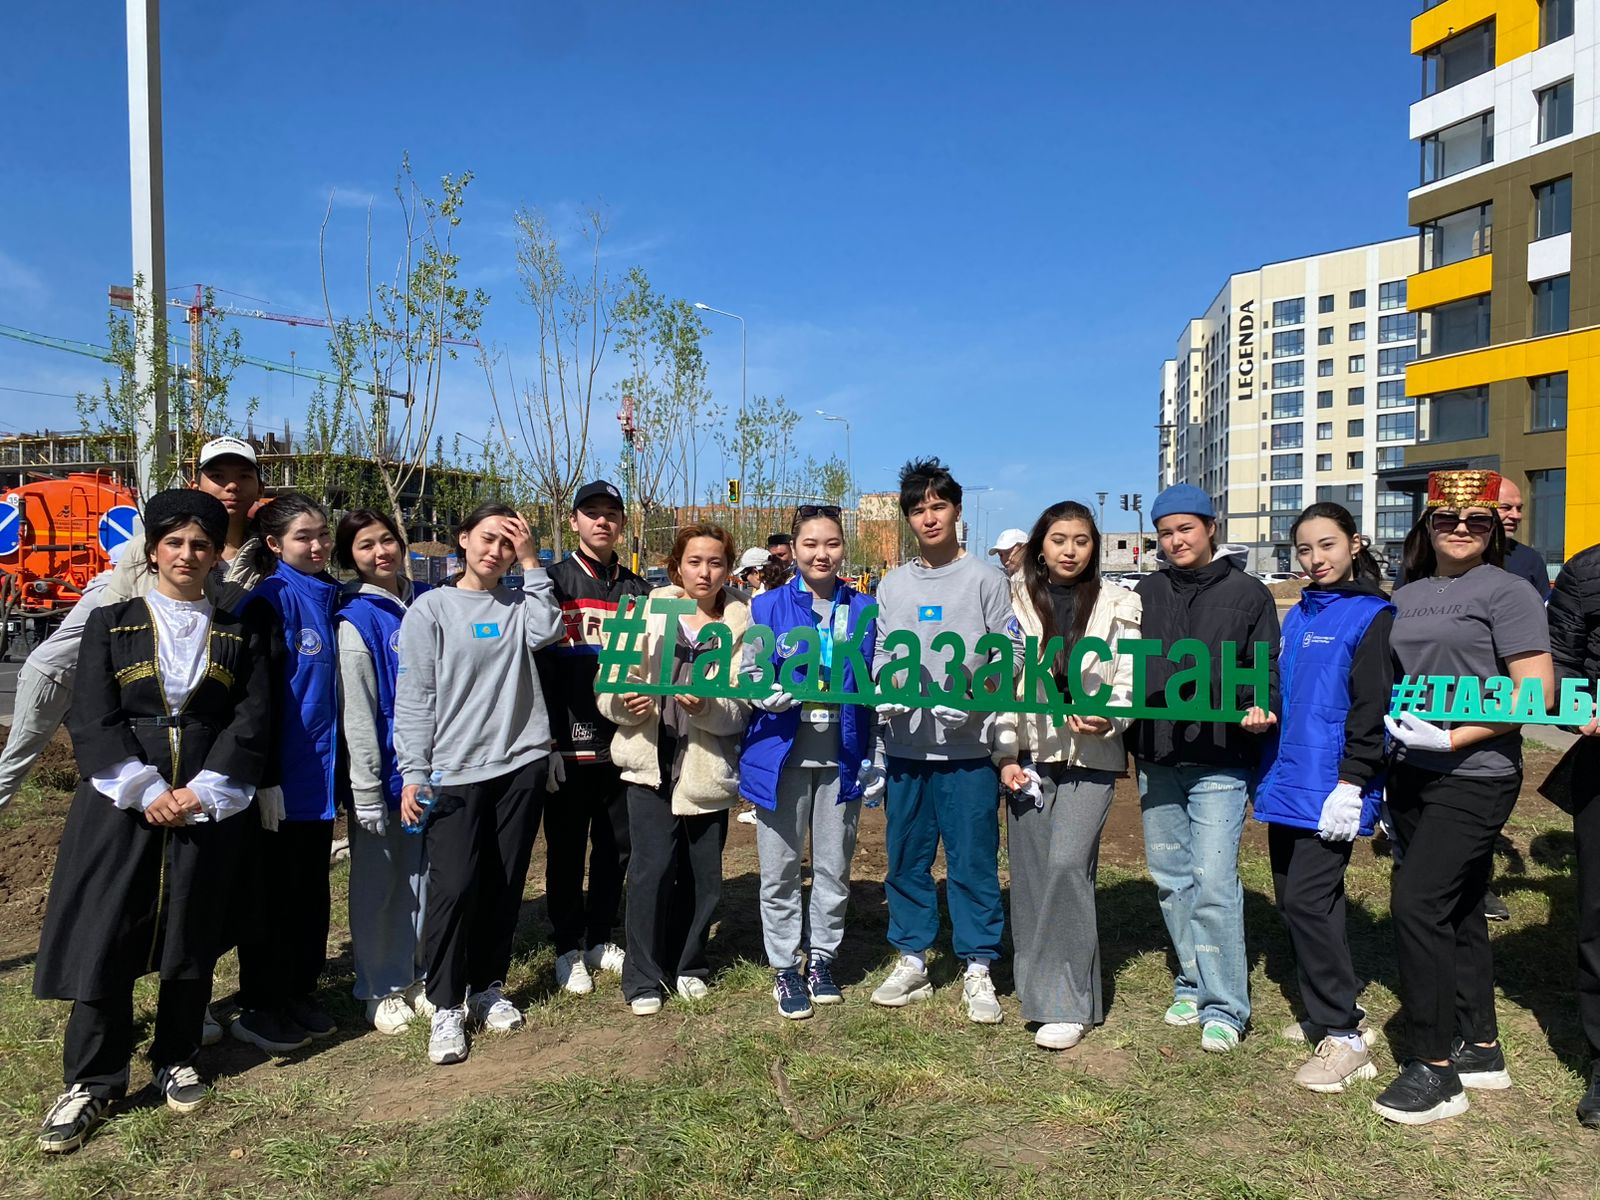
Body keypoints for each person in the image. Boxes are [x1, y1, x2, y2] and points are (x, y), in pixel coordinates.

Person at [32, 491, 273, 1153]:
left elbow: (250, 718)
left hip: (203, 800)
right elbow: (92, 715)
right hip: (120, 804)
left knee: (191, 926)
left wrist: (204, 790)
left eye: (201, 545)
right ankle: (93, 1079)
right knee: (108, 931)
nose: (187, 555)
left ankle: (177, 1053)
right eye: (175, 543)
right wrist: (143, 789)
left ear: (214, 554)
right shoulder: (110, 624)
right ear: (155, 549)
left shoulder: (239, 631)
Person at [1373, 469, 1554, 1125]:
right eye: (1447, 518)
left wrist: (1453, 738)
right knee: (1461, 906)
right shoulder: (1409, 593)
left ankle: (1434, 1069)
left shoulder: (1507, 591)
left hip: (1476, 771)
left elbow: (1536, 693)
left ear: (1492, 527)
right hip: (1411, 771)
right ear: (1427, 524)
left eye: (1476, 519)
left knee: (1417, 903)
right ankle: (1479, 1046)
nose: (1460, 528)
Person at [0, 436, 268, 812]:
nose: (231, 486)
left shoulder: (263, 553)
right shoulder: (149, 548)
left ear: (260, 487)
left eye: (243, 476)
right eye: (218, 475)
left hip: (185, 703)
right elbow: (113, 636)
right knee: (17, 770)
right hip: (70, 676)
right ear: (196, 483)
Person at [393, 503, 562, 1065]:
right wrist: (414, 771)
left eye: (508, 544)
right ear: (463, 539)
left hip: (520, 764)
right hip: (455, 770)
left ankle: (488, 985)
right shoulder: (432, 609)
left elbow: (548, 631)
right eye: (487, 538)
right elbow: (415, 696)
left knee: (504, 880)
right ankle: (445, 1002)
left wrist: (533, 563)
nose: (496, 551)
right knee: (455, 886)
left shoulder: (518, 604)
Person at [868, 458, 1021, 1024]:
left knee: (973, 858)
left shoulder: (986, 579)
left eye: (938, 506)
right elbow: (883, 650)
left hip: (967, 749)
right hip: (906, 746)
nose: (929, 518)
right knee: (906, 858)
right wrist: (885, 688)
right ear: (908, 519)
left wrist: (978, 699)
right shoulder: (892, 584)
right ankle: (912, 957)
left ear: (957, 511)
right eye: (918, 510)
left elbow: (1012, 652)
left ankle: (978, 964)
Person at [1129, 483, 1280, 1053]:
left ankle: (1225, 1006)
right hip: (1156, 754)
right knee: (1172, 878)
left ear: (1211, 528)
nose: (1175, 541)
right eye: (1165, 533)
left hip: (1220, 758)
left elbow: (1266, 667)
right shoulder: (1144, 592)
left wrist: (1263, 705)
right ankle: (1191, 981)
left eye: (1185, 529)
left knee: (1214, 880)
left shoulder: (1249, 594)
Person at [1252, 503, 1393, 1092]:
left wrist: (1354, 781)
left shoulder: (1373, 615)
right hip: (1289, 778)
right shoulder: (1300, 614)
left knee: (1309, 902)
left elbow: (1372, 707)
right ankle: (1329, 1009)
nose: (1316, 559)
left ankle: (1345, 1037)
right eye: (1305, 549)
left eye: (1327, 545)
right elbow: (1285, 690)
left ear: (1355, 544)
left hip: (1332, 784)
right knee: (1300, 902)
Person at [993, 501, 1142, 1050]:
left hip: (1092, 756)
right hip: (1029, 755)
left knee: (1067, 865)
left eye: (1081, 540)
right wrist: (1005, 755)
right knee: (1032, 874)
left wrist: (1111, 717)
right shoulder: (1011, 602)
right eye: (1059, 539)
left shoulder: (1121, 602)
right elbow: (1003, 686)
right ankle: (1037, 988)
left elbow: (1128, 678)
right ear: (1040, 546)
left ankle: (1069, 1003)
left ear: (1094, 547)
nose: (1070, 550)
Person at [596, 525, 751, 1016]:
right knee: (651, 870)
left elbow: (743, 706)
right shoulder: (646, 613)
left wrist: (708, 708)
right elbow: (609, 683)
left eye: (716, 562)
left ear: (728, 569)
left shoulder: (742, 622)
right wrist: (624, 702)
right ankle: (643, 975)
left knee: (703, 876)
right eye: (694, 562)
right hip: (652, 761)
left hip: (705, 766)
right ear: (676, 568)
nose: (705, 572)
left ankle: (689, 965)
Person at [739, 505, 881, 1019]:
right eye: (811, 544)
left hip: (841, 755)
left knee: (833, 867)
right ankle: (784, 965)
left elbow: (877, 678)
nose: (822, 554)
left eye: (832, 543)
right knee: (779, 869)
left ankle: (821, 958)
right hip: (781, 757)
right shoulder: (766, 606)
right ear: (794, 549)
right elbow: (750, 672)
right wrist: (760, 693)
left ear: (844, 548)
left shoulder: (865, 609)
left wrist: (875, 751)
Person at [231, 495, 343, 1056]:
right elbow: (255, 699)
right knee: (272, 895)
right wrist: (264, 775)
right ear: (275, 545)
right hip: (281, 780)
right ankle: (260, 1002)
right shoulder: (267, 603)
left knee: (310, 891)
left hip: (320, 779)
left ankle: (300, 989)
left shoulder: (334, 597)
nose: (318, 545)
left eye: (322, 534)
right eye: (304, 537)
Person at [536, 481, 649, 996]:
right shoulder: (552, 583)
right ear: (574, 521)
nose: (602, 521)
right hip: (567, 738)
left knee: (615, 844)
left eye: (611, 513)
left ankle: (601, 935)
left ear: (622, 523)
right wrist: (546, 740)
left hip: (622, 740)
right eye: (592, 513)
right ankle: (567, 944)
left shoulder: (639, 590)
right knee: (565, 847)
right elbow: (536, 666)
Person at [334, 509, 432, 1034]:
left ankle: (418, 971)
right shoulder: (357, 620)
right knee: (382, 883)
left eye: (387, 540)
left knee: (425, 878)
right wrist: (367, 789)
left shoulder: (425, 601)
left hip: (434, 769)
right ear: (350, 557)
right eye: (366, 545)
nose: (381, 552)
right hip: (388, 775)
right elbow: (359, 713)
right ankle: (379, 985)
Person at [1546, 537, 1600, 1128]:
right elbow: (1558, 662)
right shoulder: (1586, 571)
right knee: (1598, 912)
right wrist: (1576, 708)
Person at [0, 549, 121, 811]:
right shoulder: (110, 592)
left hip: (75, 683)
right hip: (49, 678)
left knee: (102, 749)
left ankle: (104, 816)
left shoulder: (113, 588)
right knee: (17, 760)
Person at [1495, 476, 1551, 599]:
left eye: (1519, 509)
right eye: (1505, 508)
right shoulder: (1462, 556)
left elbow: (1543, 605)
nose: (1516, 516)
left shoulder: (1530, 559)